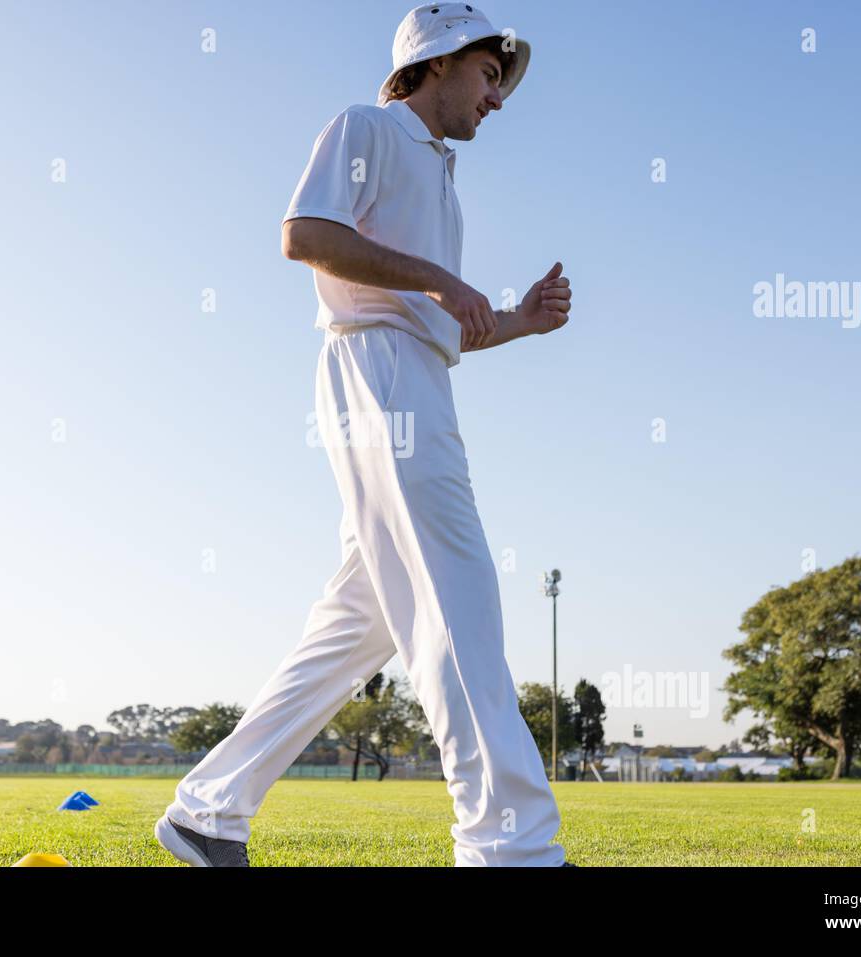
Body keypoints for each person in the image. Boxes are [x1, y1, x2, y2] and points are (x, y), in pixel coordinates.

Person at [154, 3, 574, 866]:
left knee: (364, 621)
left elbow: (451, 325)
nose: (499, 97)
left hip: (413, 377)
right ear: (438, 58)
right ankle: (510, 844)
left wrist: (521, 321)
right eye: (491, 75)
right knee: (457, 597)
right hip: (376, 375)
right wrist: (435, 280)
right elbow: (304, 234)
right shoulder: (368, 127)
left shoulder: (441, 175)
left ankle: (208, 809)